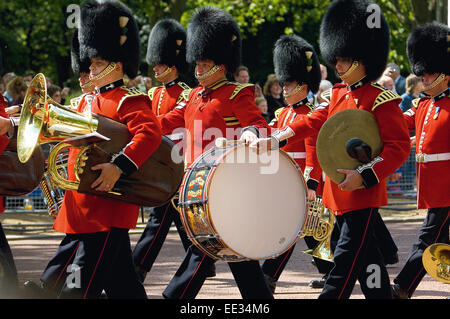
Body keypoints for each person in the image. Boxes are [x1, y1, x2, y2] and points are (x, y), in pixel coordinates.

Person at [250, 0, 410, 299]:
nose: (336, 65)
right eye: (335, 58)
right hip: (339, 191)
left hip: (363, 192)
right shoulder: (337, 94)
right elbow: (311, 122)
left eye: (343, 59)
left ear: (362, 59)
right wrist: (277, 139)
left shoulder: (381, 99)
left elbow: (399, 148)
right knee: (367, 259)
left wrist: (365, 176)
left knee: (345, 259)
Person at [28, 0, 162, 299]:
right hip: (82, 199)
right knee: (122, 284)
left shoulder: (129, 100)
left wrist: (120, 166)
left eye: (97, 64)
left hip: (108, 200)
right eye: (91, 63)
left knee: (81, 281)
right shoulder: (84, 103)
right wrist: (15, 124)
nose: (91, 68)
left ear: (116, 64)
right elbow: (55, 126)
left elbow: (150, 134)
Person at [157, 6, 272, 299]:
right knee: (234, 254)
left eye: (204, 63)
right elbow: (166, 122)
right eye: (196, 63)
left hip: (227, 185)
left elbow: (258, 125)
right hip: (197, 185)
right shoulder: (193, 96)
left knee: (205, 249)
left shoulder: (237, 94)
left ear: (220, 65)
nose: (197, 70)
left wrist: (249, 133)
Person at [261, 33, 334, 293]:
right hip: (284, 177)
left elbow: (312, 149)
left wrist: (311, 182)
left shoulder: (311, 113)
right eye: (284, 83)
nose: (284, 88)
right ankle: (329, 271)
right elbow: (269, 135)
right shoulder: (283, 113)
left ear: (302, 86)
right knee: (313, 228)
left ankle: (268, 276)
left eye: (289, 84)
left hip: (302, 179)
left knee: (290, 228)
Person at [132, 18, 197, 284]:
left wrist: (144, 128)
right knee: (182, 222)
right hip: (155, 161)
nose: (155, 67)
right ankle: (199, 261)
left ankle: (136, 268)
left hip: (175, 163)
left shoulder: (185, 93)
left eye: (160, 63)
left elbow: (171, 121)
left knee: (161, 219)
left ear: (173, 64)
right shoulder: (154, 92)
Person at [391, 22, 450, 299]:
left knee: (428, 239)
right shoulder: (424, 103)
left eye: (429, 73)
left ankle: (402, 287)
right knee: (441, 241)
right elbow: (401, 124)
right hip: (432, 183)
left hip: (447, 185)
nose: (423, 78)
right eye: (422, 74)